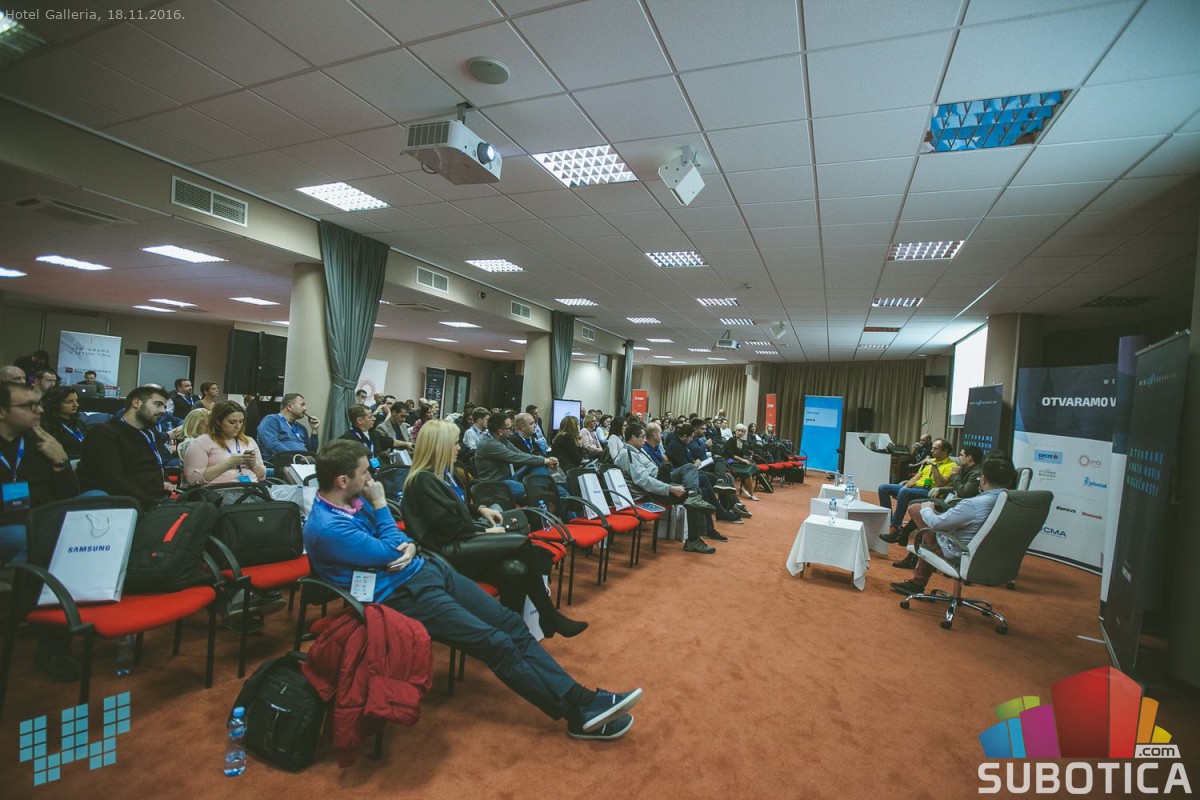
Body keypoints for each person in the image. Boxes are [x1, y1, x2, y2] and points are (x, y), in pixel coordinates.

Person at [305, 439, 642, 740]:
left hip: (428, 570)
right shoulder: (328, 527)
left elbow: (401, 539)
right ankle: (576, 713)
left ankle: (582, 699)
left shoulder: (354, 501)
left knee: (511, 624)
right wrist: (382, 509)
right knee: (497, 644)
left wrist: (406, 544)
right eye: (365, 472)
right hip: (400, 596)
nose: (372, 478)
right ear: (343, 481)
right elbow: (392, 546)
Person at [401, 421, 587, 637]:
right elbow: (448, 528)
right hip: (444, 552)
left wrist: (480, 509)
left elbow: (455, 507)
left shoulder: (439, 475)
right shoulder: (423, 480)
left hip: (458, 542)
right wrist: (484, 532)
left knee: (516, 570)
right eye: (454, 443)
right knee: (521, 542)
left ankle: (513, 634)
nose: (459, 448)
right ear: (439, 447)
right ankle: (549, 616)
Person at [890, 458, 1016, 596]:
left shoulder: (974, 504)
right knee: (931, 527)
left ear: (984, 479)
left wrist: (927, 508)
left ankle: (917, 582)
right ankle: (917, 582)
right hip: (997, 559)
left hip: (962, 553)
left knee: (916, 509)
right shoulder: (1016, 502)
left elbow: (936, 523)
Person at [0, 380, 80, 565]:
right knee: (25, 535)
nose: (40, 410)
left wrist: (61, 461)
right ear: (2, 411)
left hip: (43, 517)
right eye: (30, 406)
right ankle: (29, 580)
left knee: (98, 497)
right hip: (12, 524)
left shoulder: (41, 442)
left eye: (39, 404)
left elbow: (70, 496)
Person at [614, 422, 717, 554]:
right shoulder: (627, 454)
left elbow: (652, 471)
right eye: (642, 437)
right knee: (697, 494)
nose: (645, 440)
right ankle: (693, 540)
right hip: (648, 492)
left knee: (690, 467)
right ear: (633, 438)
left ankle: (693, 495)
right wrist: (669, 488)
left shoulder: (637, 450)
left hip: (658, 480)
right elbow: (643, 481)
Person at [886, 444, 986, 568]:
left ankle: (904, 536)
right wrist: (941, 489)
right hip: (953, 501)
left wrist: (954, 475)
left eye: (961, 455)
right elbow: (956, 488)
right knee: (919, 509)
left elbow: (963, 492)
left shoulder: (975, 473)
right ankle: (904, 536)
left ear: (969, 458)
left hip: (960, 506)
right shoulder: (965, 469)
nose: (959, 458)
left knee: (919, 508)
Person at [77, 385, 174, 507]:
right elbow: (114, 482)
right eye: (158, 404)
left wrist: (165, 480)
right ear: (136, 403)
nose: (163, 411)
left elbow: (154, 465)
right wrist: (152, 505)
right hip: (133, 505)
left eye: (164, 407)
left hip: (158, 499)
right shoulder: (104, 434)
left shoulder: (149, 433)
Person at [877, 438, 955, 534]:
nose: (931, 451)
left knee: (904, 492)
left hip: (930, 491)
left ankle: (895, 525)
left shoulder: (951, 465)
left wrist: (934, 466)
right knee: (883, 488)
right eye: (932, 448)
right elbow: (916, 478)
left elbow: (941, 483)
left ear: (945, 451)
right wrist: (904, 487)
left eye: (935, 448)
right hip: (915, 488)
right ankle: (888, 521)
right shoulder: (928, 461)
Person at [475, 413, 559, 501]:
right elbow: (516, 457)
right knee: (533, 488)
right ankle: (538, 493)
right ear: (500, 431)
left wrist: (545, 460)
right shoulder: (490, 444)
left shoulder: (501, 439)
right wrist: (545, 460)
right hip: (496, 484)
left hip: (509, 477)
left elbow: (521, 454)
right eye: (510, 428)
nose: (512, 430)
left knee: (540, 465)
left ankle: (538, 492)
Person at [182, 400, 265, 486]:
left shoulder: (249, 441)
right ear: (218, 421)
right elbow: (192, 480)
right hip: (218, 490)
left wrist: (254, 465)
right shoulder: (201, 443)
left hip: (251, 488)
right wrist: (228, 463)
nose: (238, 426)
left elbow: (262, 476)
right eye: (232, 422)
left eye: (241, 421)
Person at [256, 392, 321, 461]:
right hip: (279, 463)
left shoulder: (301, 428)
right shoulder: (272, 420)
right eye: (302, 405)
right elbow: (272, 444)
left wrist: (314, 430)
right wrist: (298, 458)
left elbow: (312, 452)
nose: (305, 408)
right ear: (289, 406)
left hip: (302, 463)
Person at [40, 384, 86, 460]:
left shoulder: (79, 424)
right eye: (69, 402)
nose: (76, 405)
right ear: (57, 403)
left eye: (76, 401)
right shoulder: (48, 426)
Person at [724, 424, 760, 502]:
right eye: (739, 431)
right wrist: (742, 460)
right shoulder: (731, 440)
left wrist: (748, 457)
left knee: (753, 466)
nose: (740, 433)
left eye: (742, 431)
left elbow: (744, 454)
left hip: (739, 461)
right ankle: (751, 493)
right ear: (736, 431)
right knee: (747, 472)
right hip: (730, 462)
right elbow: (731, 454)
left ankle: (745, 486)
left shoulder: (743, 442)